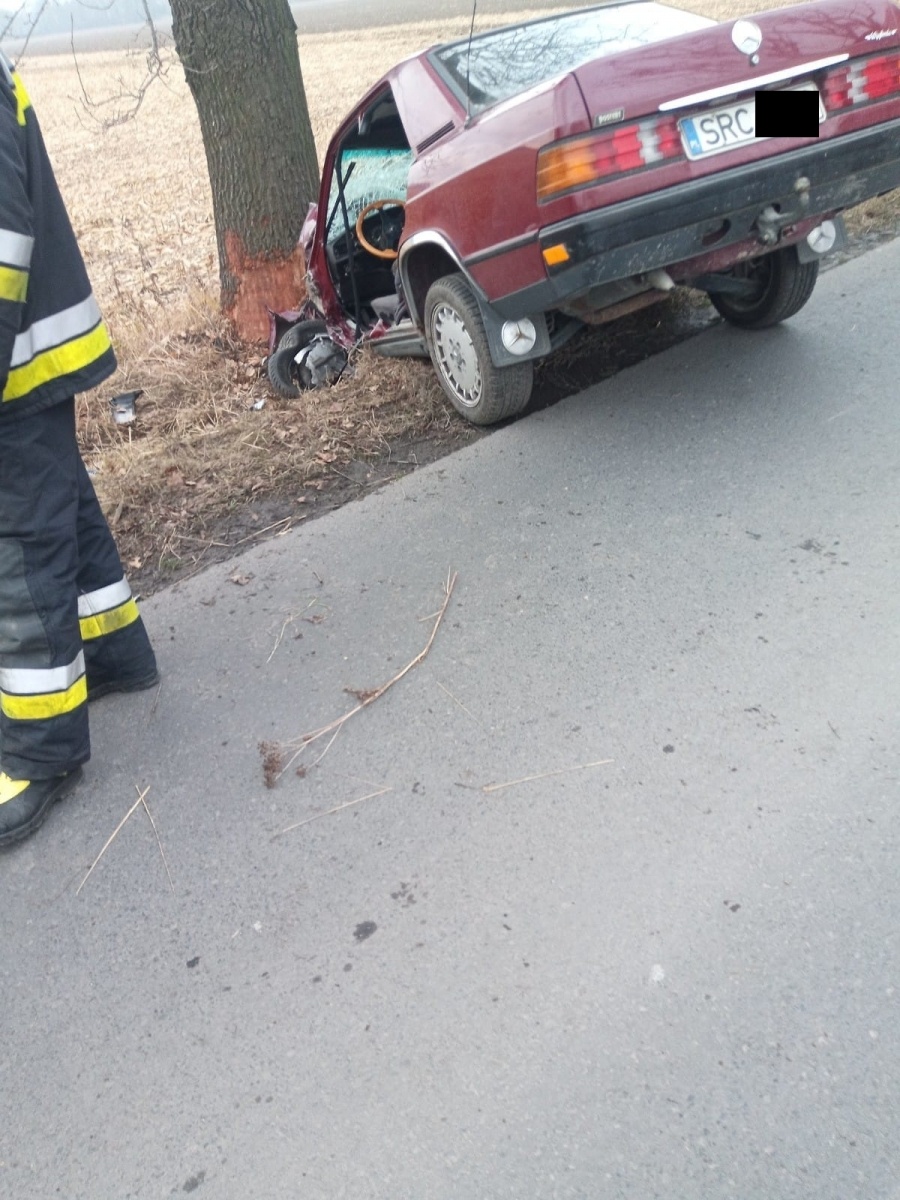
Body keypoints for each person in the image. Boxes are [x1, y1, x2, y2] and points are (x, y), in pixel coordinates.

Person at [0, 51, 157, 847]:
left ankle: (40, 753)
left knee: (21, 548)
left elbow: (2, 243)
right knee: (58, 506)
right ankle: (114, 653)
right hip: (31, 352)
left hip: (15, 360)